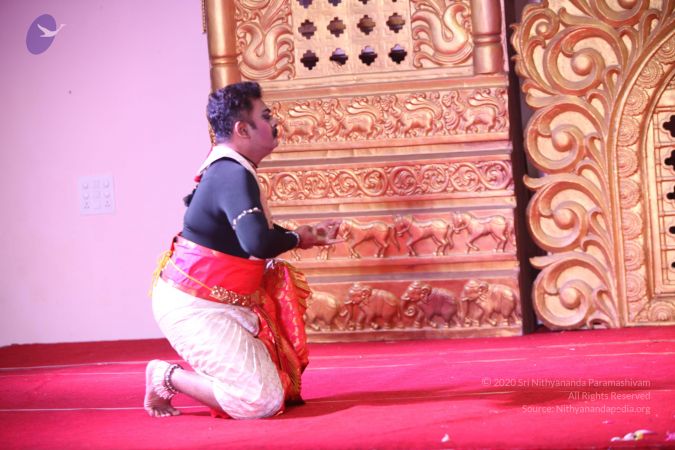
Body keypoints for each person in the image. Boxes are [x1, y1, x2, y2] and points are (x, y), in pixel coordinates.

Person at [144, 81, 340, 419]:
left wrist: (303, 236)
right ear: (242, 129)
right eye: (266, 115)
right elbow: (256, 243)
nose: (275, 122)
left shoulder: (231, 169)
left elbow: (245, 235)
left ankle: (220, 373)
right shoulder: (231, 173)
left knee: (275, 390)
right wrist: (297, 238)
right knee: (261, 402)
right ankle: (166, 376)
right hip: (195, 307)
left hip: (226, 303)